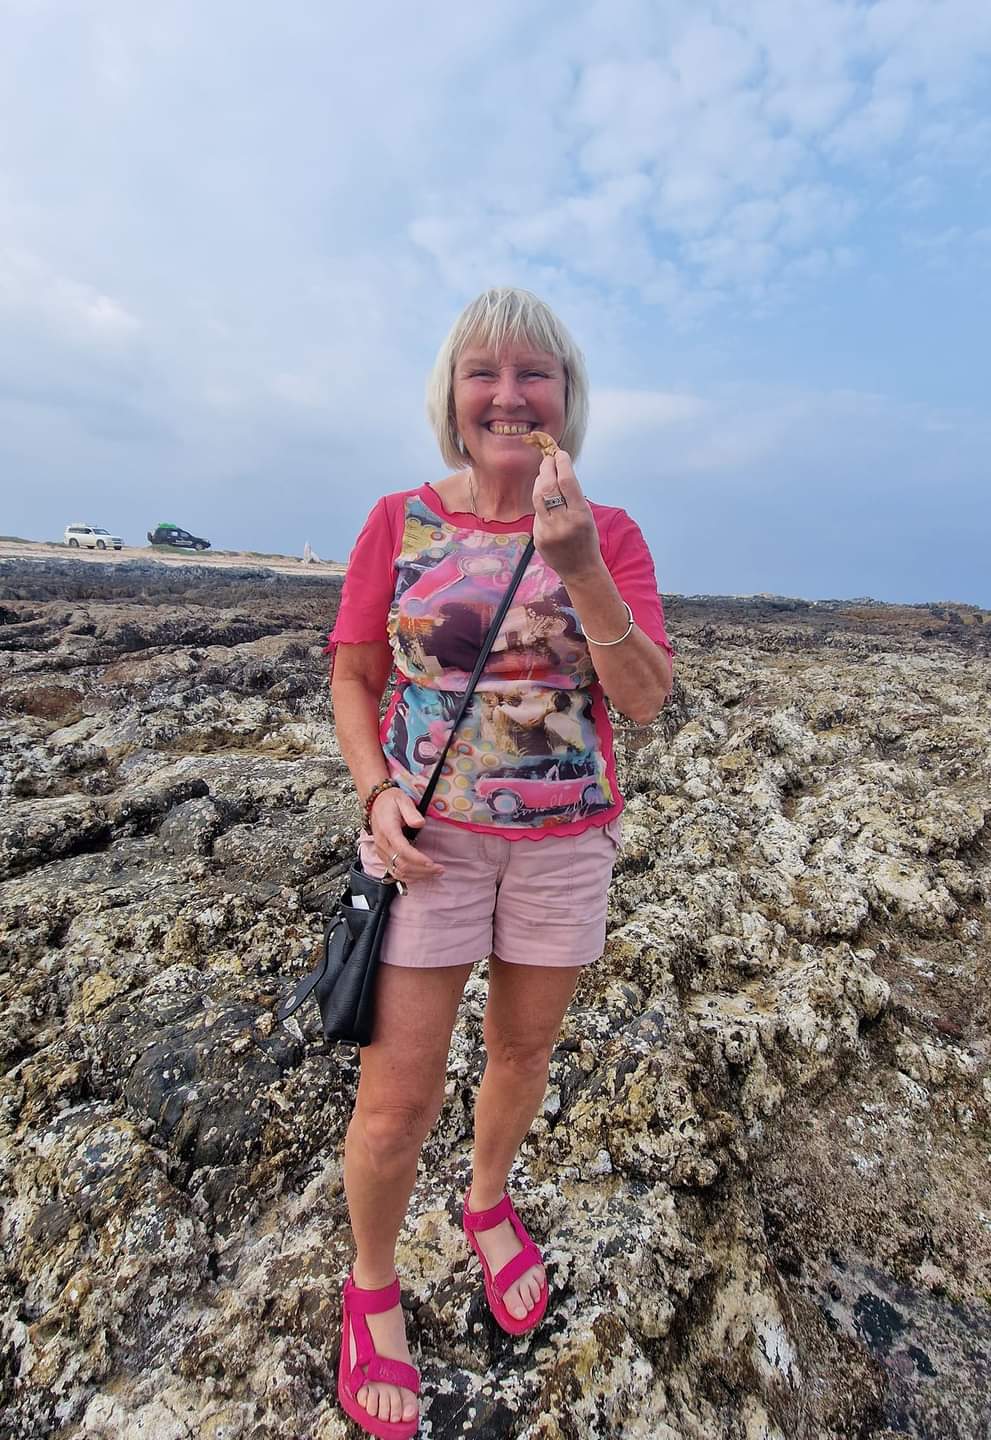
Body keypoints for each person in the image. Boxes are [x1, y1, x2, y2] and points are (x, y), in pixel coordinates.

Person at [327, 287, 672, 1438]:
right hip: (432, 852)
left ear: (566, 400)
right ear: (453, 396)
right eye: (485, 372)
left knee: (522, 1053)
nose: (510, 394)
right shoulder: (399, 521)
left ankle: (485, 1203)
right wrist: (375, 791)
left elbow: (645, 700)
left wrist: (576, 565)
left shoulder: (609, 532)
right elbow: (356, 676)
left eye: (536, 375)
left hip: (566, 848)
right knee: (396, 1102)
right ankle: (371, 1285)